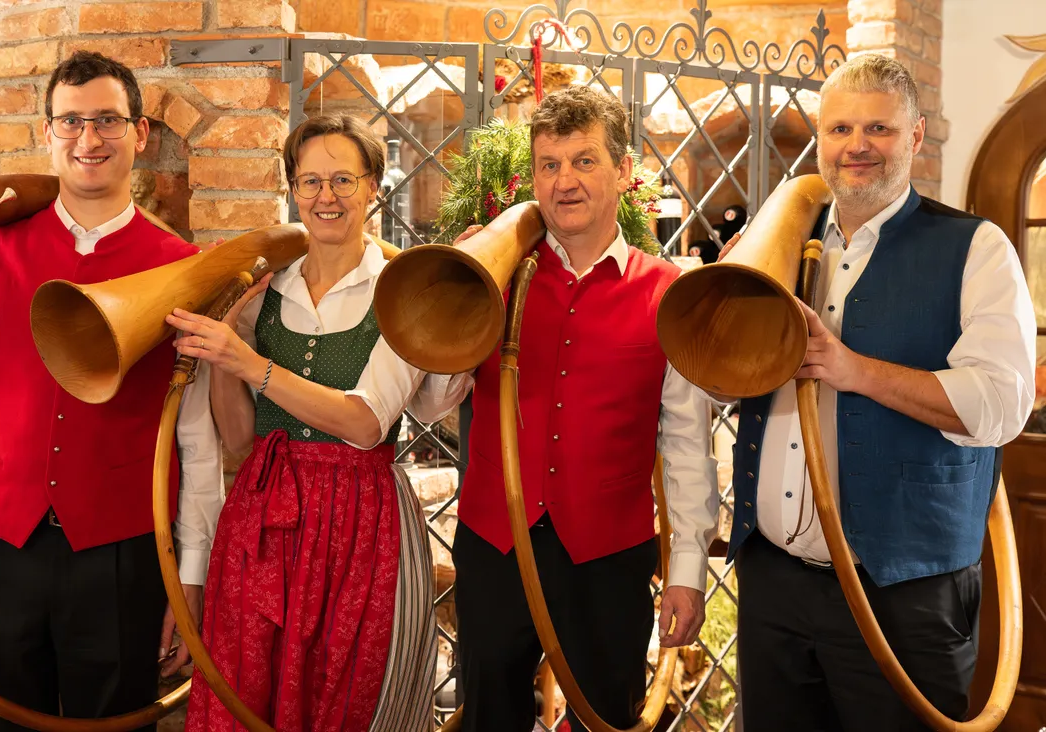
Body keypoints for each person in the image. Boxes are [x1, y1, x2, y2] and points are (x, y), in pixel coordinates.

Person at [0, 51, 223, 730]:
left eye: (108, 120)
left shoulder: (183, 268)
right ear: (48, 132)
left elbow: (196, 441)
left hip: (121, 554)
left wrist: (191, 577)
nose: (89, 139)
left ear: (140, 133)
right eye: (71, 121)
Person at [721, 54, 1036, 731]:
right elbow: (716, 377)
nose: (855, 146)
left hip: (905, 591)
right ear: (819, 138)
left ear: (915, 135)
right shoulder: (779, 244)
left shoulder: (975, 248)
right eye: (839, 129)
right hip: (773, 581)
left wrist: (853, 370)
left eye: (878, 128)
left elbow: (1001, 406)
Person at [441, 86, 721, 732]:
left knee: (605, 721)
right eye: (549, 164)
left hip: (608, 559)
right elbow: (434, 400)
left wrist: (687, 572)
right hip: (494, 547)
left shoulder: (666, 293)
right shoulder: (495, 275)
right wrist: (454, 303)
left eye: (583, 161)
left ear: (622, 171)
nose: (564, 181)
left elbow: (686, 445)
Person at [166, 113, 448, 732]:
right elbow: (240, 437)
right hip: (264, 516)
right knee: (248, 690)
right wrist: (228, 349)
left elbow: (365, 424)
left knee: (346, 697)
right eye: (310, 181)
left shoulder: (400, 290)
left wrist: (251, 362)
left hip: (362, 519)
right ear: (293, 190)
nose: (326, 196)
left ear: (373, 187)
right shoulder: (268, 290)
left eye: (343, 180)